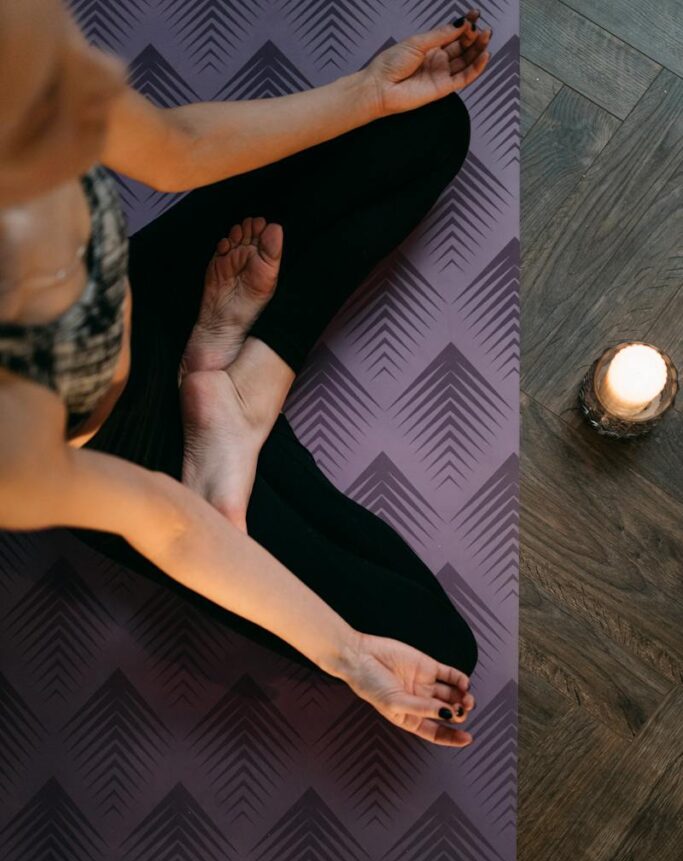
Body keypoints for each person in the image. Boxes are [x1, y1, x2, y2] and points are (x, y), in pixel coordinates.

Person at [0, 0, 492, 746]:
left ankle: (236, 376)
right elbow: (167, 523)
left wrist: (367, 92)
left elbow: (173, 146)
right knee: (432, 651)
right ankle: (218, 396)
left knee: (424, 125)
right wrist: (352, 656)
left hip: (167, 293)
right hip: (143, 459)